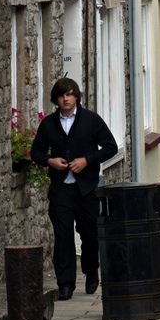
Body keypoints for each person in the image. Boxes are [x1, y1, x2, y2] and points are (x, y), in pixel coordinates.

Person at [27, 76, 120, 299]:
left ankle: (91, 272)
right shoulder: (48, 124)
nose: (66, 99)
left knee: (89, 234)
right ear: (56, 99)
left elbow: (110, 147)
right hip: (61, 189)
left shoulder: (91, 120)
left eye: (69, 94)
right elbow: (36, 152)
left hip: (86, 188)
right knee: (63, 235)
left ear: (76, 96)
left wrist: (87, 160)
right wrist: (50, 161)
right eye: (61, 95)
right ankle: (65, 283)